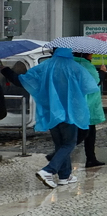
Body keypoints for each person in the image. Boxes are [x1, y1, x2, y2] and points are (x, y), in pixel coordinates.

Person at [2, 47, 98, 188]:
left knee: (60, 144)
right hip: (70, 113)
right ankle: (48, 170)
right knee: (69, 143)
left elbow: (21, 80)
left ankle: (65, 176)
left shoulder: (44, 66)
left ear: (53, 52)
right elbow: (91, 86)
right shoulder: (76, 67)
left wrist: (3, 69)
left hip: (51, 113)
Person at [74, 53, 106, 168]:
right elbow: (96, 82)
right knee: (85, 132)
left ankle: (91, 158)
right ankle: (59, 154)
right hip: (89, 103)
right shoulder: (86, 66)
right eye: (91, 53)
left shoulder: (74, 64)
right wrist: (102, 72)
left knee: (90, 132)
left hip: (79, 102)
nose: (92, 55)